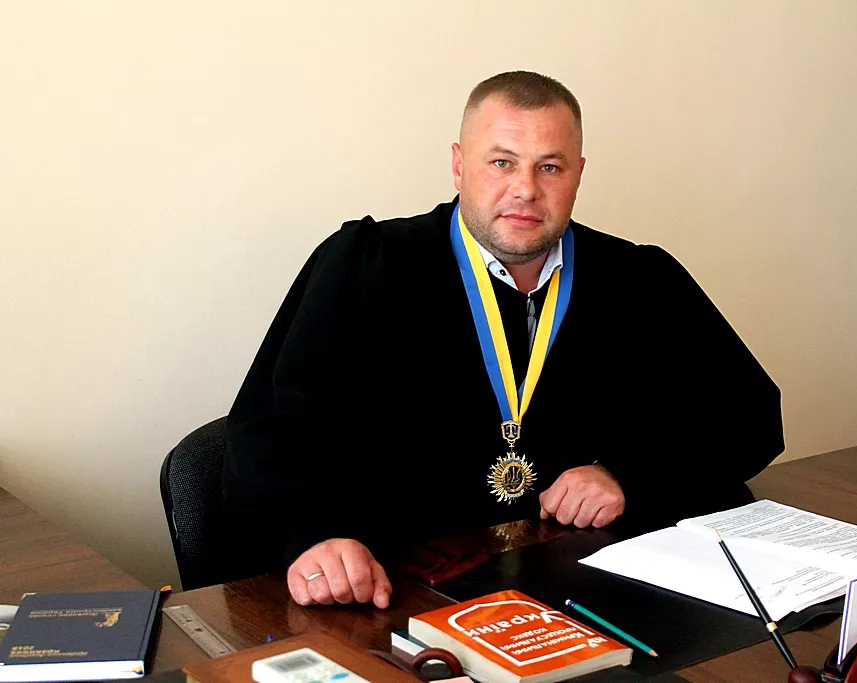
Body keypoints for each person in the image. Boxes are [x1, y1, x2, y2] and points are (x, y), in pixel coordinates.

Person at [222, 71, 784, 609]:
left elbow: (750, 416)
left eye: (550, 167)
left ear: (579, 173)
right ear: (458, 165)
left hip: (582, 581)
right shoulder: (363, 265)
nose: (526, 189)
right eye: (501, 162)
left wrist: (628, 475)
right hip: (400, 586)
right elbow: (270, 429)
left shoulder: (640, 278)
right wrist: (315, 536)